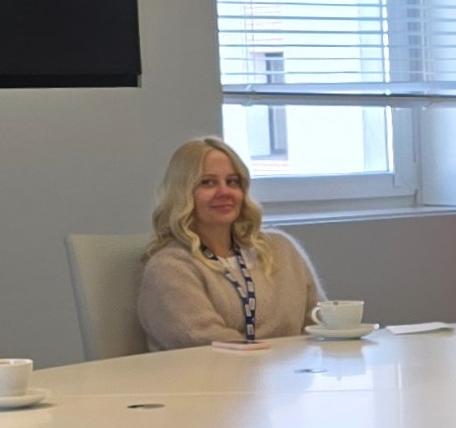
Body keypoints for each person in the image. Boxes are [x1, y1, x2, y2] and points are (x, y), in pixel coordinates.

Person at [138, 137, 327, 349]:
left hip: (291, 367)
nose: (224, 192)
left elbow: (322, 323)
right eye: (208, 182)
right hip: (210, 370)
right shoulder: (169, 267)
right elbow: (206, 344)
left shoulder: (280, 248)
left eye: (232, 182)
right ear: (183, 193)